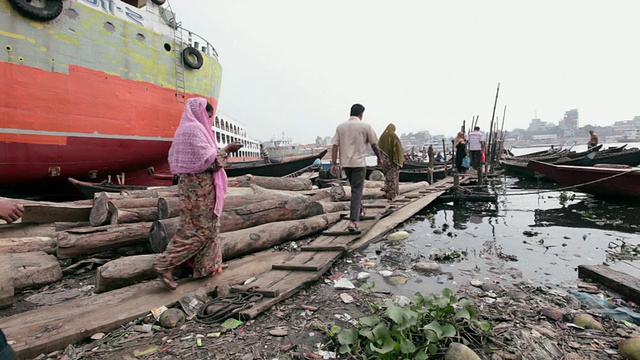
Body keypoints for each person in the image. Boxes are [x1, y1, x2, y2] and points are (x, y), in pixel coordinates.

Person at [154, 98, 239, 290]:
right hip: (198, 189)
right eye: (208, 116)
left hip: (196, 186)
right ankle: (164, 265)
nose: (208, 120)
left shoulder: (186, 129)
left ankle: (208, 266)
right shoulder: (194, 130)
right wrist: (226, 150)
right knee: (197, 228)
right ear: (200, 112)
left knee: (210, 227)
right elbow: (210, 163)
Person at [330, 103, 383, 232]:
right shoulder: (365, 126)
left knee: (354, 189)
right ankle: (353, 221)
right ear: (361, 114)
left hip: (346, 164)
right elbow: (375, 144)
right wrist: (379, 158)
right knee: (357, 191)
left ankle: (359, 210)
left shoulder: (341, 127)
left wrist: (333, 163)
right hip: (359, 164)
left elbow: (335, 146)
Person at [378, 123, 404, 200]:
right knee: (393, 177)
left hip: (384, 161)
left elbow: (379, 148)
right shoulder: (393, 136)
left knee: (387, 177)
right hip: (393, 161)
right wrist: (398, 160)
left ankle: (388, 193)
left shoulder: (382, 136)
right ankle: (393, 194)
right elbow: (398, 149)